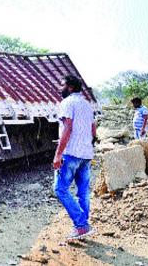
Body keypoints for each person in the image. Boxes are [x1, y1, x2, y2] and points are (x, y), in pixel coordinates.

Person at [53, 75, 96, 240]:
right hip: (86, 154)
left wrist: (58, 154)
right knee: (83, 192)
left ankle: (81, 225)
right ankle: (82, 227)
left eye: (62, 85)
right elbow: (93, 130)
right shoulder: (87, 105)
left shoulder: (67, 103)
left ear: (70, 87)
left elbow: (68, 128)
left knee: (60, 189)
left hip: (71, 154)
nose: (59, 88)